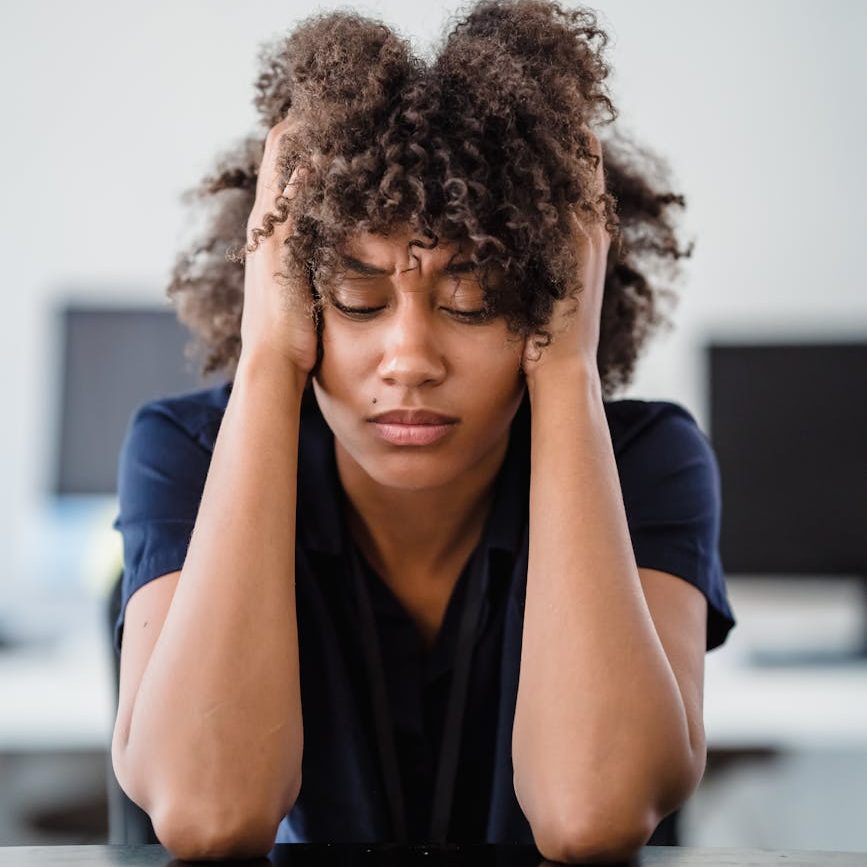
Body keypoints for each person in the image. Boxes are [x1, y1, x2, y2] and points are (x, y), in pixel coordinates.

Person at [109, 0, 737, 861]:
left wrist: (564, 370)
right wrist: (266, 362)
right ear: (288, 295)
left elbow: (592, 811)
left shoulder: (645, 463)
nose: (408, 357)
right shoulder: (185, 452)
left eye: (473, 301)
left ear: (548, 300)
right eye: (357, 298)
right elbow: (211, 814)